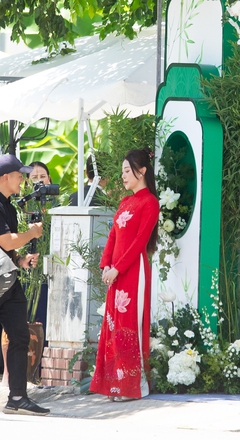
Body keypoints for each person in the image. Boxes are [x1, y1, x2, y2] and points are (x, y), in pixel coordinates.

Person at [0, 154, 50, 416]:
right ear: (6, 177)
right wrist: (32, 233)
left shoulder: (6, 204)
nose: (23, 180)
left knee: (20, 336)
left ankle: (17, 396)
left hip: (7, 279)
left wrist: (20, 260)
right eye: (20, 175)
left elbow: (6, 249)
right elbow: (6, 241)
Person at [90, 148, 159, 402]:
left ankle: (133, 385)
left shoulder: (150, 202)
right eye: (122, 172)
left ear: (142, 172)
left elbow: (140, 242)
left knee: (129, 325)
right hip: (116, 273)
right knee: (113, 327)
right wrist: (106, 265)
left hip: (133, 272)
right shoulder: (124, 202)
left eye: (127, 171)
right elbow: (112, 237)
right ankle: (115, 385)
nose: (123, 176)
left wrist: (118, 268)